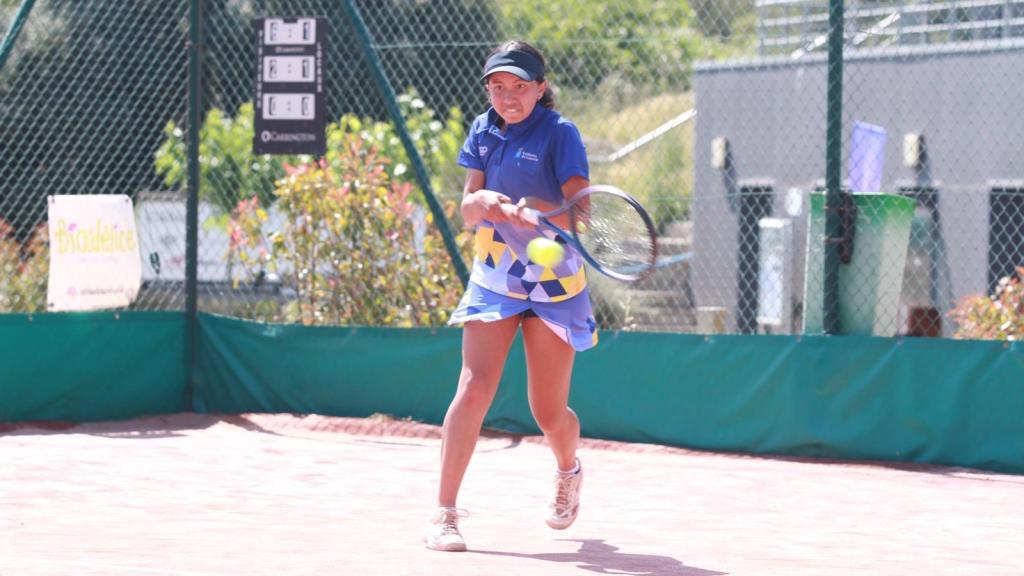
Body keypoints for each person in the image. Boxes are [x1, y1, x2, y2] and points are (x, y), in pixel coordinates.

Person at [423, 40, 598, 552]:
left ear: (540, 88)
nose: (507, 97)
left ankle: (568, 469)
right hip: (496, 271)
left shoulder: (561, 132)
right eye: (498, 87)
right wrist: (480, 201)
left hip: (554, 278)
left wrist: (540, 210)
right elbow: (468, 208)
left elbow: (580, 212)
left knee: (548, 412)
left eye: (519, 87)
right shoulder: (483, 128)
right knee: (474, 388)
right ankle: (444, 513)